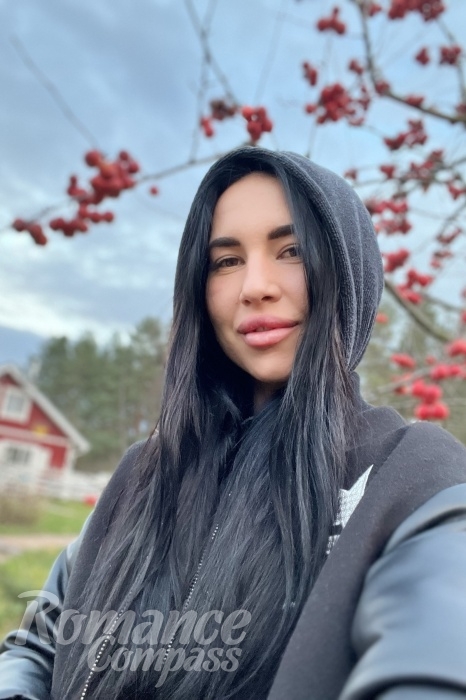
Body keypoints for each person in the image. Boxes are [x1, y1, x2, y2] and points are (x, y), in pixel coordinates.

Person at [1, 146, 466, 700]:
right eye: (226, 261)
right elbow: (39, 643)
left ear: (348, 273)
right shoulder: (142, 476)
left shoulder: (411, 478)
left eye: (292, 250)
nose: (254, 286)